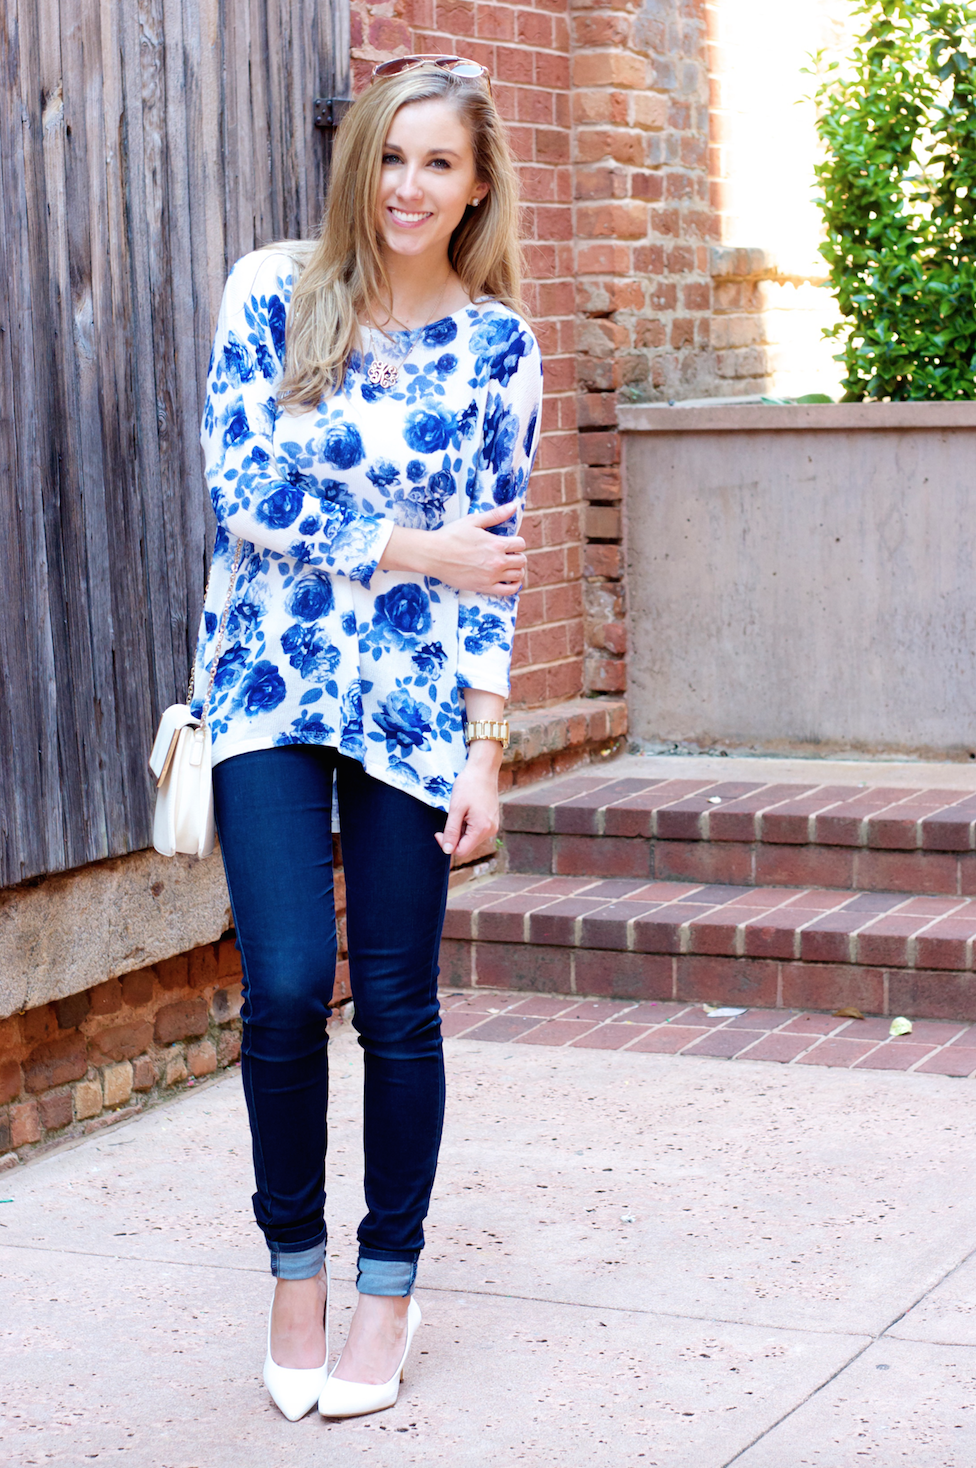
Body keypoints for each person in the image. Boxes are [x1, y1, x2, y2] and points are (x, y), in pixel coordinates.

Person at [191, 56, 542, 1422]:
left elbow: (495, 569)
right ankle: (295, 1272)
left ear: (477, 184)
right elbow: (241, 486)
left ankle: (387, 1284)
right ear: (360, 166)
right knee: (285, 985)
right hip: (267, 683)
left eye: (438, 162)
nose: (408, 185)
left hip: (411, 703)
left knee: (396, 1004)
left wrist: (488, 746)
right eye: (391, 157)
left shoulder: (500, 349)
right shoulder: (274, 292)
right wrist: (413, 547)